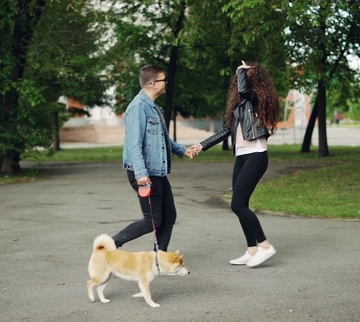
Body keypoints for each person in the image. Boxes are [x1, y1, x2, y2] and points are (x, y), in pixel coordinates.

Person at [190, 60, 280, 267]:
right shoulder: (239, 104)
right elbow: (225, 130)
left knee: (237, 204)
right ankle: (251, 250)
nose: (243, 76)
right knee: (241, 205)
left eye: (248, 72)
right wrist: (202, 145)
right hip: (241, 157)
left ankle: (265, 246)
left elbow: (244, 89)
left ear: (254, 76)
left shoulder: (258, 98)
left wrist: (241, 71)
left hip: (256, 155)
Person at [112, 64, 195, 252]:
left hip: (157, 172)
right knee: (152, 221)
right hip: (144, 174)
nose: (166, 83)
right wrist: (141, 174)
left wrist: (182, 150)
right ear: (153, 83)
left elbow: (162, 139)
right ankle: (111, 243)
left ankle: (160, 258)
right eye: (164, 80)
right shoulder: (138, 107)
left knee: (169, 216)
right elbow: (134, 143)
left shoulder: (154, 108)